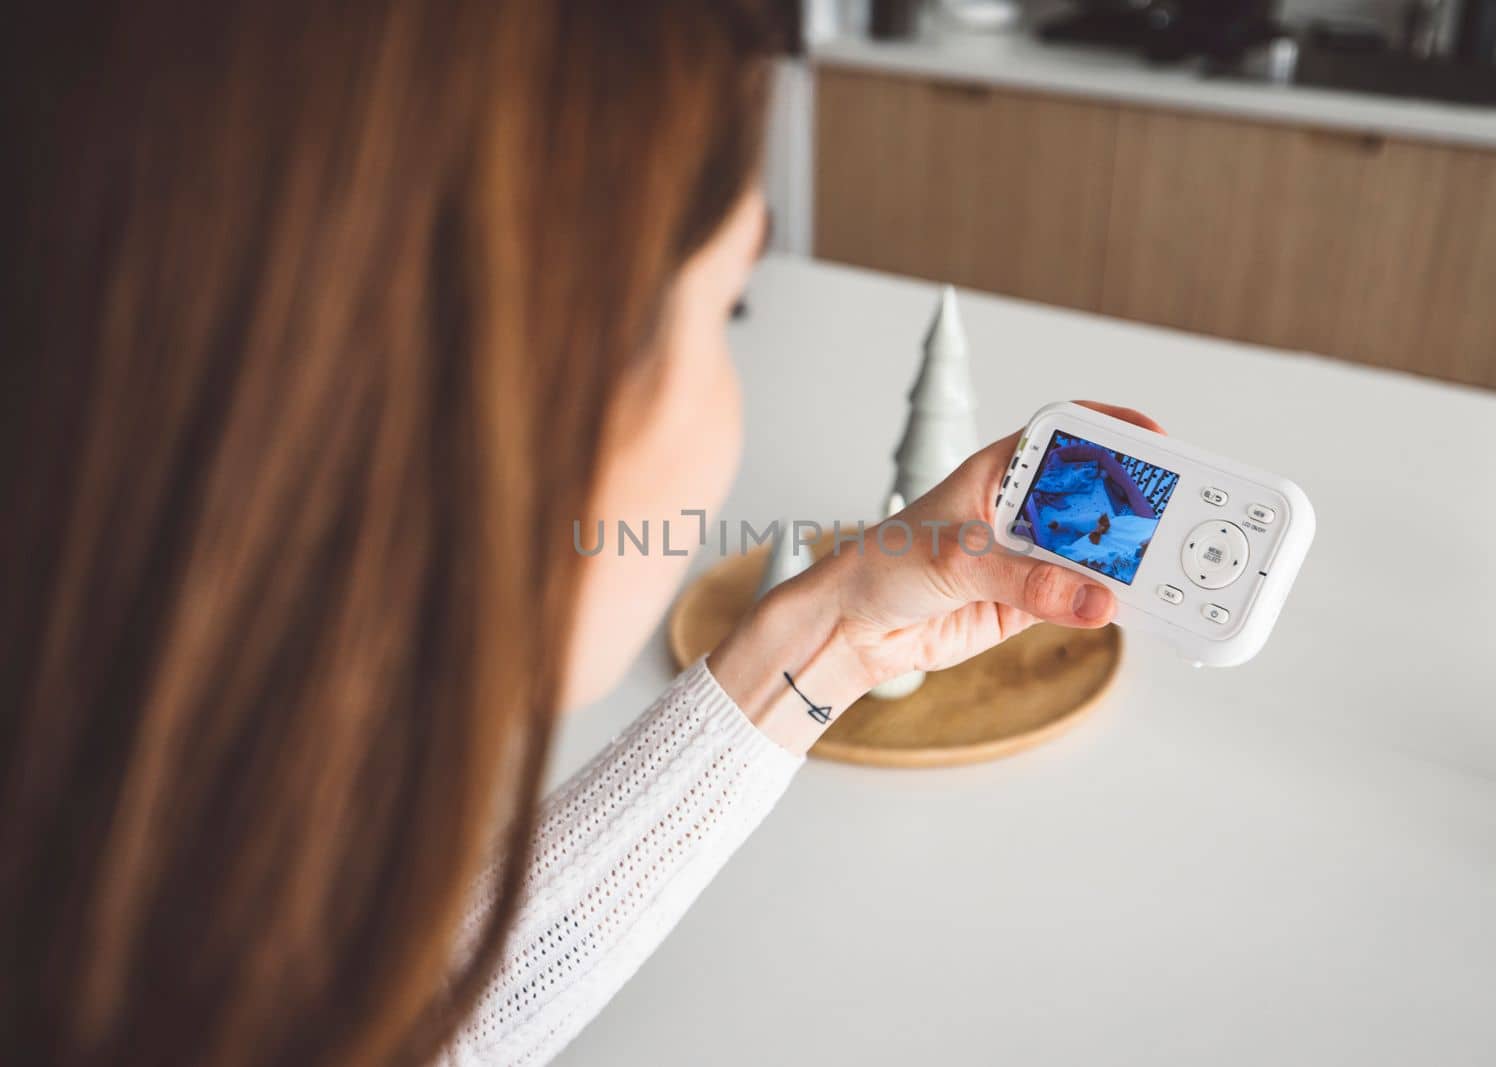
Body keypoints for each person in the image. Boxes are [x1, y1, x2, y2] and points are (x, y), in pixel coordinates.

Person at [0, 3, 1159, 1064]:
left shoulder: (133, 893)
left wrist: (835, 639)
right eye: (725, 312)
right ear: (502, 402)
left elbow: (409, 1026)